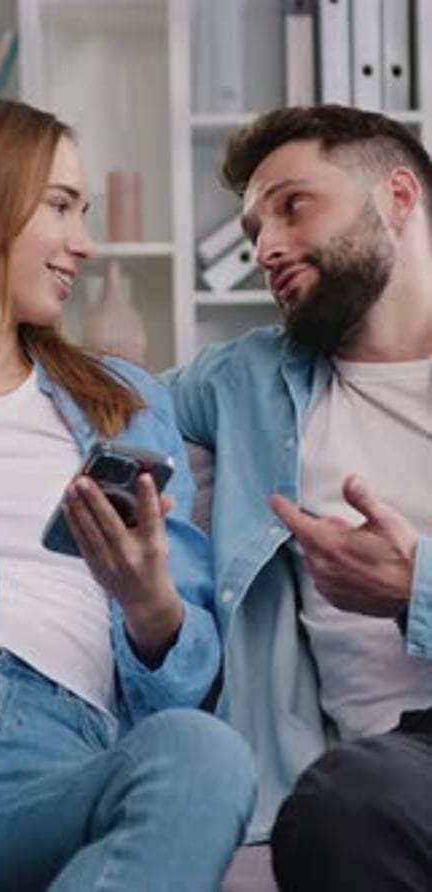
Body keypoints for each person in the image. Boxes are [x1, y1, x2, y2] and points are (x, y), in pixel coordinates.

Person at [0, 93, 256, 892]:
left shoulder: (120, 401)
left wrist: (150, 606)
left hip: (56, 757)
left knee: (203, 756)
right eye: (61, 207)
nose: (86, 242)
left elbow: (183, 682)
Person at [164, 103, 432, 891]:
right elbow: (72, 402)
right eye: (252, 233)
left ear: (398, 197)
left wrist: (412, 586)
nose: (266, 249)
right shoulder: (244, 382)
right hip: (384, 777)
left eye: (293, 205)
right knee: (339, 809)